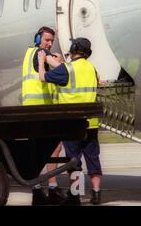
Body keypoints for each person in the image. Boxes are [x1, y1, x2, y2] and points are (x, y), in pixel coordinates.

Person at [38, 38, 102, 205]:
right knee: (93, 159)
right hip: (91, 123)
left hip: (73, 125)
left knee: (74, 162)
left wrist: (41, 61)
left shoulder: (68, 69)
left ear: (74, 48)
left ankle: (76, 196)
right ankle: (96, 194)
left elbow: (43, 78)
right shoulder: (92, 69)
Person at [22, 26, 67, 205]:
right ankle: (50, 188)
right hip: (40, 110)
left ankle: (39, 189)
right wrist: (62, 61)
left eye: (51, 40)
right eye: (46, 39)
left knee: (43, 151)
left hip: (33, 109)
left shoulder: (29, 53)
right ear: (38, 38)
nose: (49, 43)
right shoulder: (41, 53)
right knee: (52, 148)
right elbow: (64, 71)